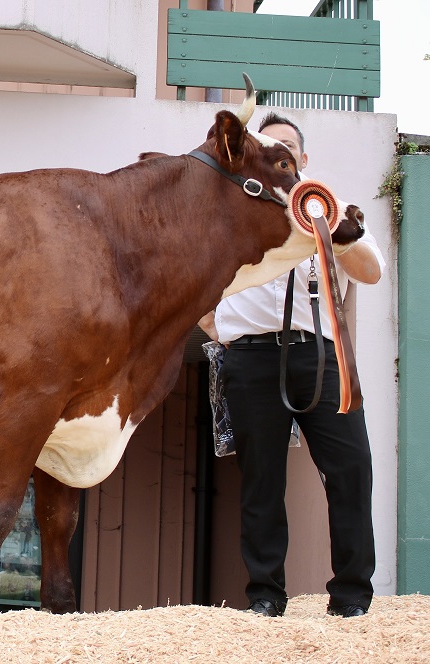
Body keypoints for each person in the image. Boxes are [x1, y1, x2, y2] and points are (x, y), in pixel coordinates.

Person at [199, 112, 384, 619]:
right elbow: (190, 274)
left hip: (320, 354)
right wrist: (219, 332)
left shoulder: (329, 207)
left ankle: (351, 596)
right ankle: (265, 595)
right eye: (269, 147)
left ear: (302, 159)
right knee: (262, 479)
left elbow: (371, 274)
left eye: (286, 147)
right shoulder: (231, 210)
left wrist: (339, 234)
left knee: (351, 470)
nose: (279, 153)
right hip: (252, 357)